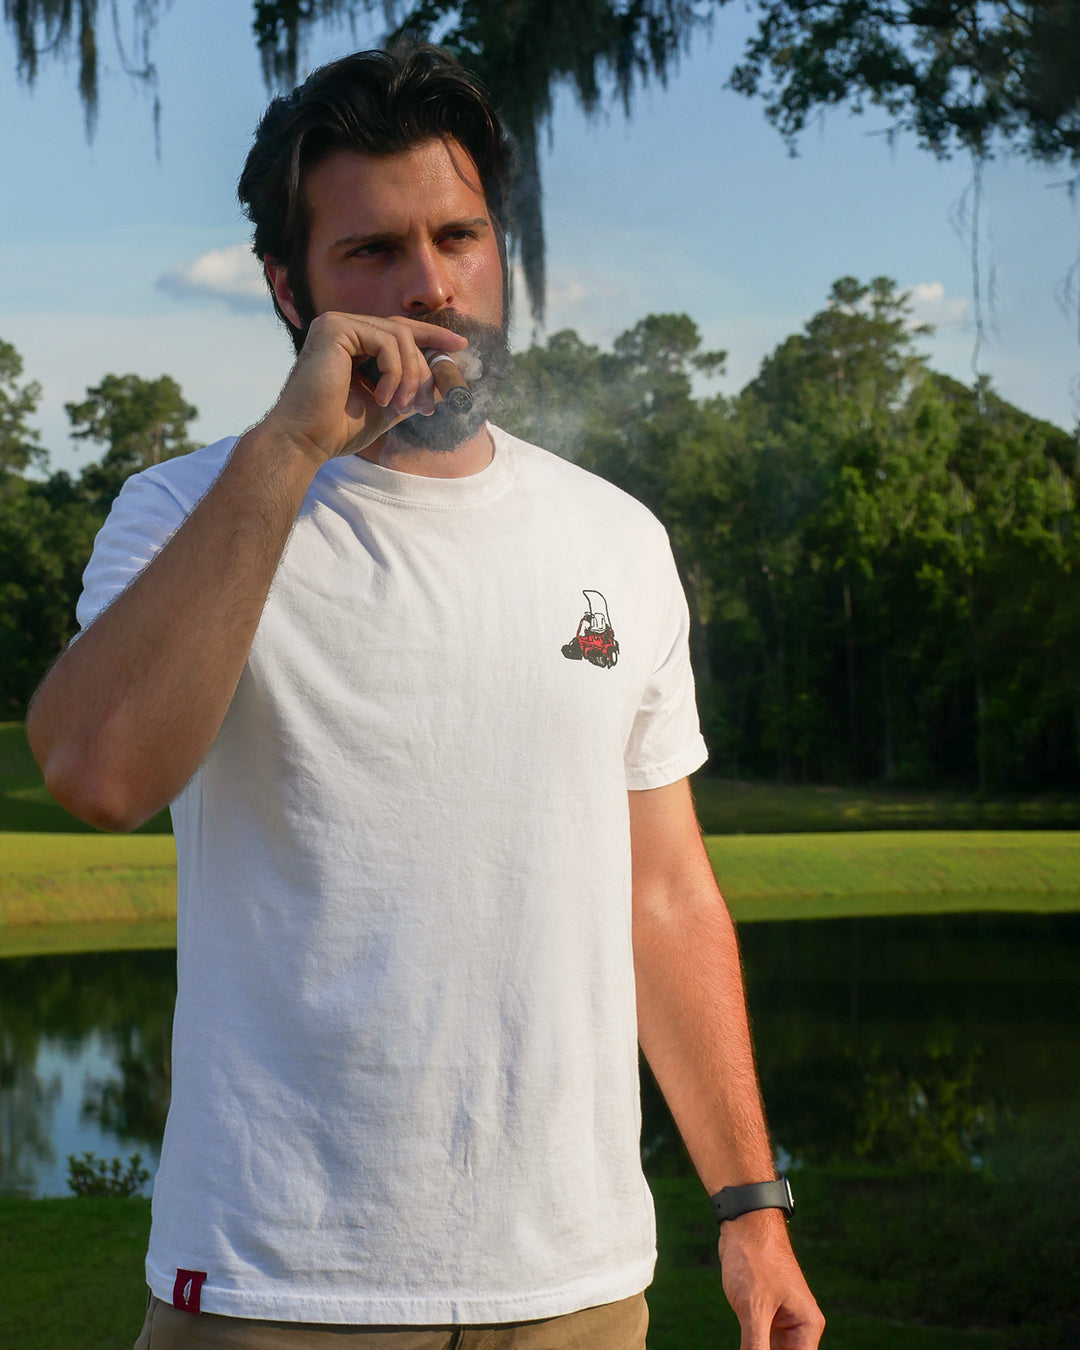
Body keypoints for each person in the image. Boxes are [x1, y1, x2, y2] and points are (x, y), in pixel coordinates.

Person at [28, 42, 824, 1350]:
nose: (432, 285)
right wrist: (292, 447)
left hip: (578, 1283)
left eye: (460, 235)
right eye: (373, 252)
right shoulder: (185, 511)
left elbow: (665, 891)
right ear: (290, 287)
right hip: (277, 1282)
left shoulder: (616, 536)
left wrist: (750, 1202)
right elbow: (99, 770)